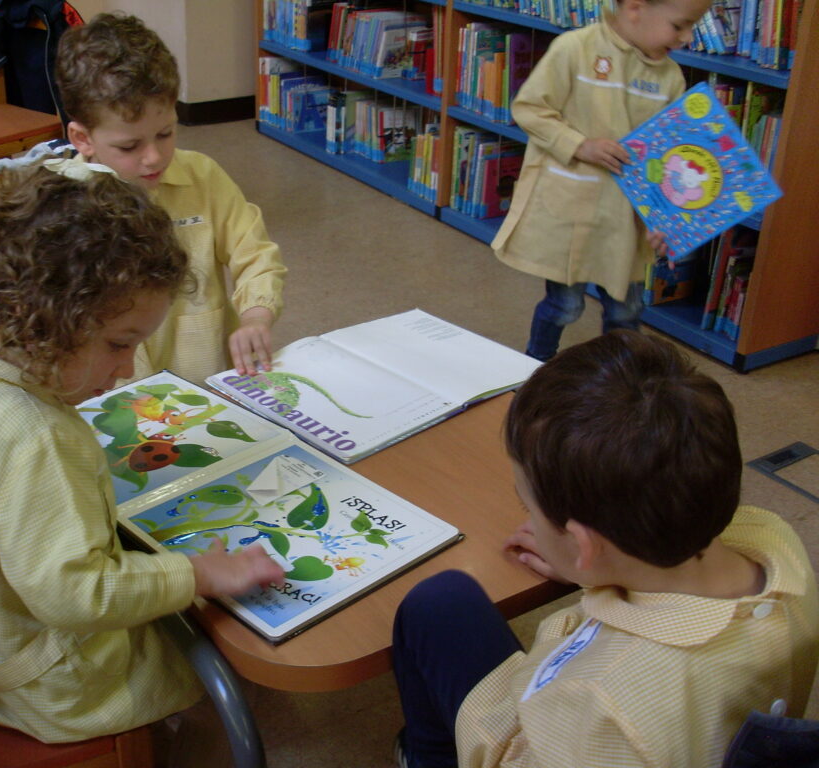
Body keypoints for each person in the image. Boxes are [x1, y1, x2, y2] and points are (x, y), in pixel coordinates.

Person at [0, 161, 284, 755]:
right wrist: (203, 575)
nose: (127, 369)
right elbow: (79, 595)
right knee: (225, 648)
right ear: (48, 316)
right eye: (120, 345)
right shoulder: (35, 435)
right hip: (48, 684)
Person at [392, 330, 819, 767]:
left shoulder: (602, 703)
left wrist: (589, 564)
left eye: (527, 506)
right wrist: (591, 568)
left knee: (437, 602)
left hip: (527, 740)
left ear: (584, 543)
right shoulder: (775, 540)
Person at [54, 12, 287, 381]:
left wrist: (256, 316)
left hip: (206, 383)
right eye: (129, 146)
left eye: (165, 134)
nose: (154, 157)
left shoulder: (203, 177)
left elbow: (256, 255)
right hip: (114, 391)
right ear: (83, 139)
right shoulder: (59, 204)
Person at [490, 0, 712, 360]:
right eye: (679, 26)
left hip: (626, 221)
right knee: (564, 306)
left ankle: (623, 380)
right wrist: (580, 145)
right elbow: (529, 109)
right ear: (635, 9)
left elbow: (668, 158)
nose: (686, 38)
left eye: (693, 27)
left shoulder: (671, 78)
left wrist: (665, 220)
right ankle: (533, 367)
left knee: (627, 312)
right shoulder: (574, 49)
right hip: (572, 213)